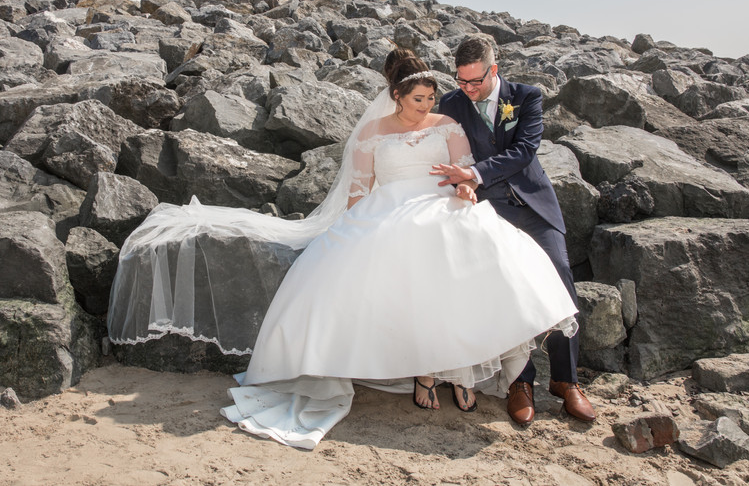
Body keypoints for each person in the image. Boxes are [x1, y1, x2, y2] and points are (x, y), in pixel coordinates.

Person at [108, 48, 579, 449]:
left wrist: (466, 190)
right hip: (391, 206)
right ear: (396, 96)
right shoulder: (377, 133)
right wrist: (356, 225)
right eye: (420, 98)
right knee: (394, 259)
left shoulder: (456, 119)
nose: (428, 105)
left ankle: (521, 376)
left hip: (461, 202)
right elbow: (359, 192)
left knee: (497, 258)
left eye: (433, 97)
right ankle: (426, 371)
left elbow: (468, 166)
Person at [433, 35, 597, 425]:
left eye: (476, 81)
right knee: (506, 288)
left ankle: (566, 381)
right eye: (461, 81)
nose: (468, 89)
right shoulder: (451, 104)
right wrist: (465, 182)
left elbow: (525, 149)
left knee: (560, 278)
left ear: (494, 70)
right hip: (489, 210)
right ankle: (520, 382)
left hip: (535, 204)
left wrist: (474, 173)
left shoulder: (526, 97)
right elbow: (453, 152)